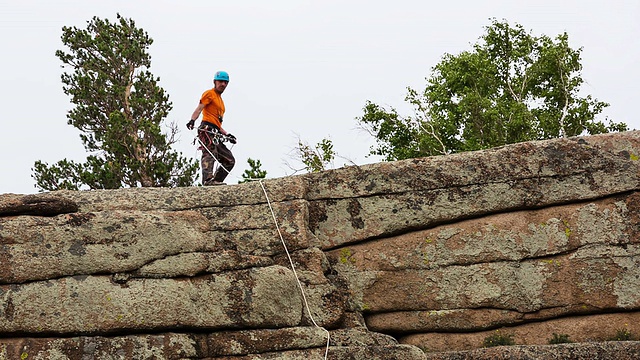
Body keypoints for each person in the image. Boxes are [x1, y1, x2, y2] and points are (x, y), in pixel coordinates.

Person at [187, 70, 236, 186]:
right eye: (220, 82)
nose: (223, 84)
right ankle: (208, 181)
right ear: (215, 82)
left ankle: (216, 180)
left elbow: (217, 123)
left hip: (215, 131)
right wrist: (192, 120)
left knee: (229, 160)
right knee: (209, 153)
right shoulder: (209, 94)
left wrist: (227, 134)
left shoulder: (221, 102)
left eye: (225, 82)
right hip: (206, 129)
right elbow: (199, 108)